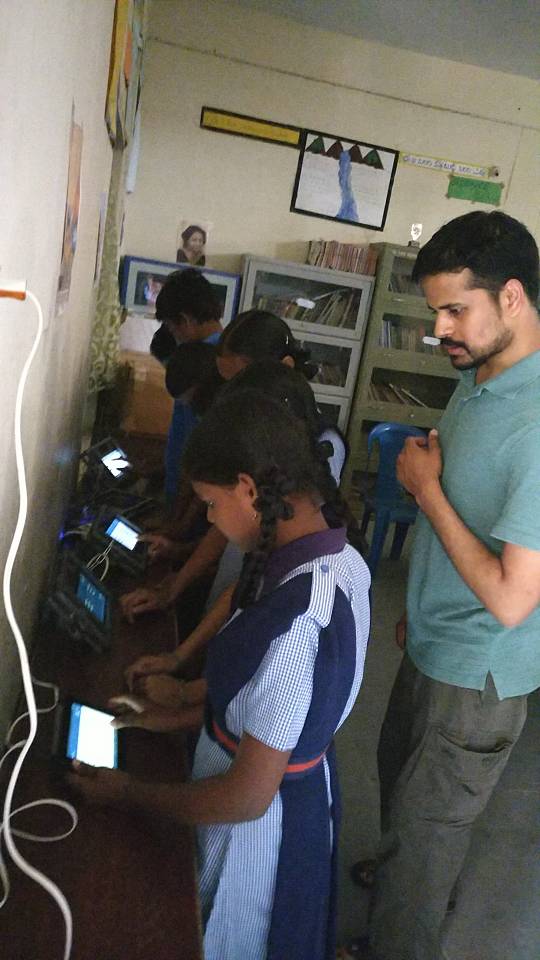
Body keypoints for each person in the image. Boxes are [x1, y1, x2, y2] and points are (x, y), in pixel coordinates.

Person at [69, 392, 371, 960]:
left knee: (231, 939)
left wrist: (128, 793)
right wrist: (174, 718)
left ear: (249, 489)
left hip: (258, 836)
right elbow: (271, 713)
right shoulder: (342, 563)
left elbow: (246, 797)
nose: (207, 517)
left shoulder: (296, 625)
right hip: (284, 787)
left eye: (210, 502)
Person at [353, 210, 540, 960]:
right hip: (436, 641)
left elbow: (511, 597)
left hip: (476, 679)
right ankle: (405, 874)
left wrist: (425, 491)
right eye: (435, 310)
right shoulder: (484, 375)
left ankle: (401, 932)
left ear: (514, 299)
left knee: (429, 851)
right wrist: (424, 603)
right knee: (404, 794)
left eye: (455, 309)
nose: (440, 329)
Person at [124, 360, 360, 708]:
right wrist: (180, 670)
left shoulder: (299, 611)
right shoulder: (291, 549)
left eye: (211, 503)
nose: (210, 517)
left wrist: (184, 692)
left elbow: (265, 738)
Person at [119, 312, 323, 621]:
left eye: (239, 383)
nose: (229, 396)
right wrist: (181, 557)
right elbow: (227, 526)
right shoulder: (256, 438)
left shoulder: (300, 451)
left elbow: (253, 570)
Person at [155, 268, 223, 504]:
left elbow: (203, 457)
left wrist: (176, 522)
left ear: (184, 321)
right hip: (183, 495)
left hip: (192, 502)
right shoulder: (205, 355)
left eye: (173, 329)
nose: (174, 337)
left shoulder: (209, 368)